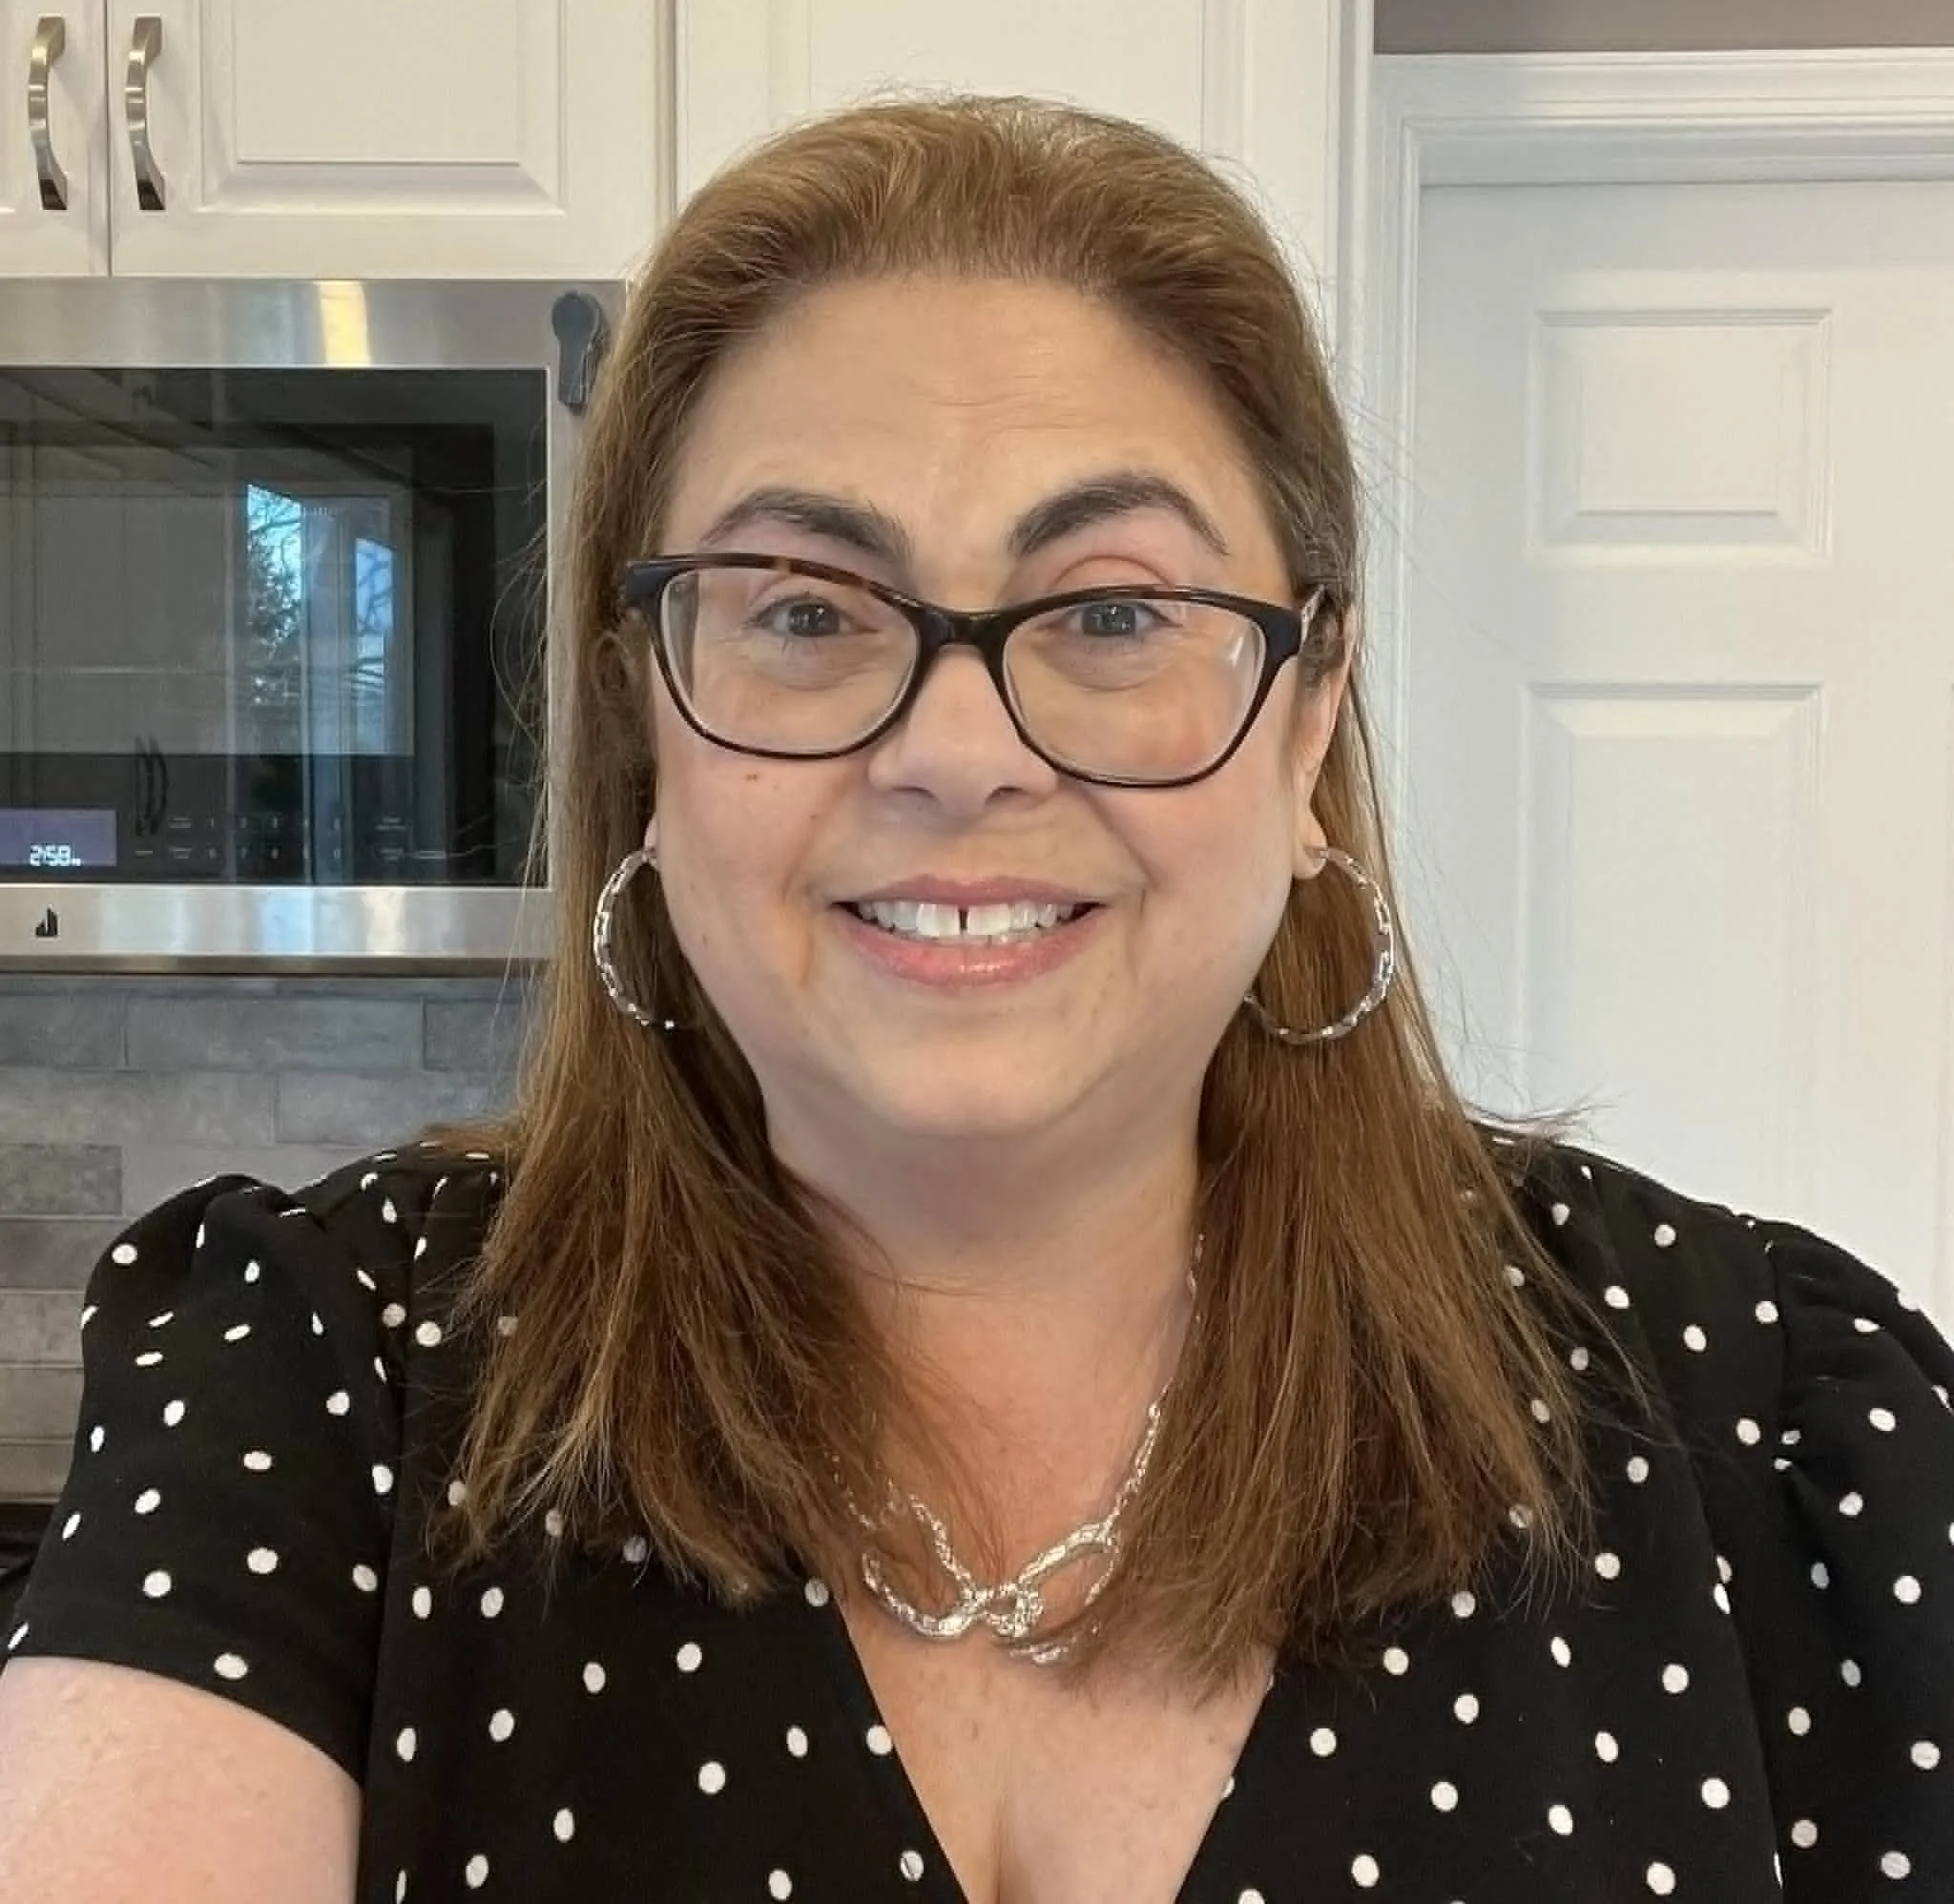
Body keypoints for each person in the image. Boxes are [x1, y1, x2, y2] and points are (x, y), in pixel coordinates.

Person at [0, 94, 1948, 1904]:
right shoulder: (317, 1371)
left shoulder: (1766, 1428)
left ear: (1308, 717)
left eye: (1111, 612)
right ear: (643, 715)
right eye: (803, 608)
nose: (954, 753)